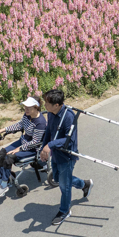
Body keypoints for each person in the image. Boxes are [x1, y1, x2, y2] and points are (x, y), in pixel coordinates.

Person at [39, 89, 92, 226]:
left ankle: (64, 211)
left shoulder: (69, 116)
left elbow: (69, 140)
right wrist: (43, 148)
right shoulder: (51, 114)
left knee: (64, 186)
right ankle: (84, 184)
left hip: (67, 156)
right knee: (57, 178)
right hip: (55, 153)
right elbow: (49, 132)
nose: (45, 105)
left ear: (56, 105)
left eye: (47, 103)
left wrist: (50, 145)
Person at [0, 97, 47, 198]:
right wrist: (2, 130)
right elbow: (19, 125)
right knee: (2, 153)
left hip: (32, 148)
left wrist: (19, 149)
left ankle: (4, 185)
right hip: (23, 141)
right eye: (25, 107)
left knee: (9, 158)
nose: (25, 109)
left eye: (28, 107)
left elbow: (35, 142)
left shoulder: (40, 122)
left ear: (36, 107)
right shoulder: (27, 115)